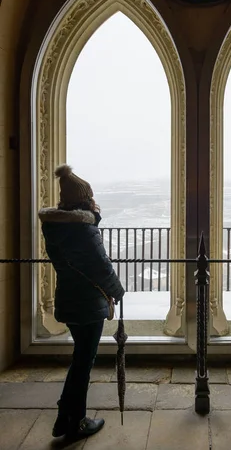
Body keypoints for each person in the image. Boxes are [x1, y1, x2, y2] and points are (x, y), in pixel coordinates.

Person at [38, 164, 125, 440]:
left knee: (80, 360)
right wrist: (118, 291)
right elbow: (100, 266)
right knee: (83, 364)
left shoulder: (55, 230)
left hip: (69, 300)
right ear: (84, 201)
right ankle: (76, 421)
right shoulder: (84, 231)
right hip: (88, 304)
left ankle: (65, 417)